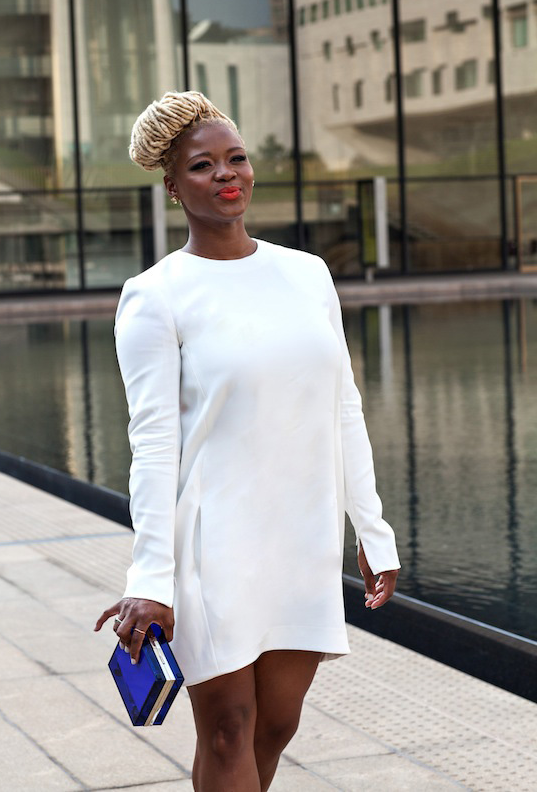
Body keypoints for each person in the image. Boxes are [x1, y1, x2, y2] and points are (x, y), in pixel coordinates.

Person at [95, 91, 400, 792]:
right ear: (173, 186)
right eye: (203, 165)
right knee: (228, 727)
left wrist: (371, 528)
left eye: (235, 158)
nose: (226, 174)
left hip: (301, 537)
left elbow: (344, 407)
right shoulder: (155, 295)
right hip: (214, 544)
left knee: (276, 726)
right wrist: (150, 578)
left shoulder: (307, 273)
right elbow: (153, 444)